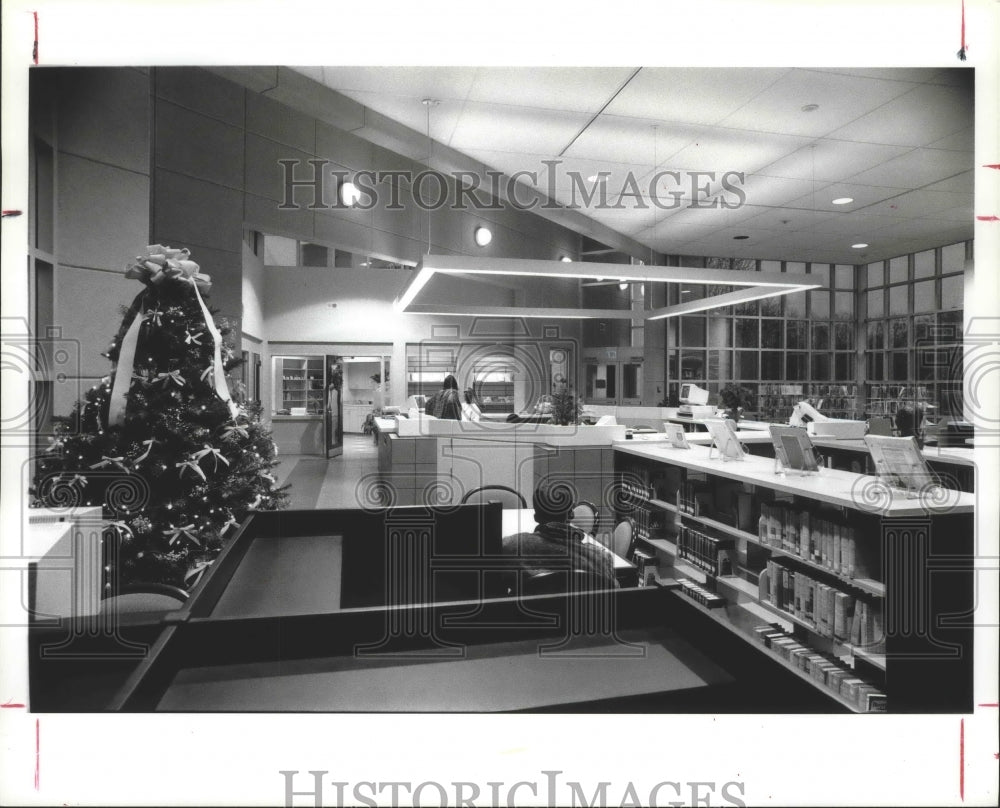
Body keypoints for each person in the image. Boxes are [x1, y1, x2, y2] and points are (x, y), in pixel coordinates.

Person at [500, 481, 616, 595]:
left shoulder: (509, 548)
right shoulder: (602, 559)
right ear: (571, 515)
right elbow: (615, 595)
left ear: (536, 517)